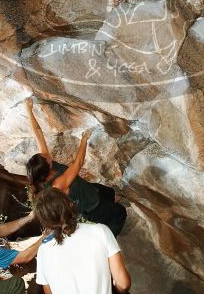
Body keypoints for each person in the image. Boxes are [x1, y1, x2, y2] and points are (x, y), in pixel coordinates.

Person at [24, 96, 127, 236]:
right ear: (46, 171)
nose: (47, 155)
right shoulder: (57, 185)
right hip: (89, 206)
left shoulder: (45, 166)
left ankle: (113, 200)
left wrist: (29, 109)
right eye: (46, 158)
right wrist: (84, 139)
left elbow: (38, 133)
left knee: (109, 193)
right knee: (119, 213)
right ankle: (108, 241)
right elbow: (78, 163)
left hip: (88, 189)